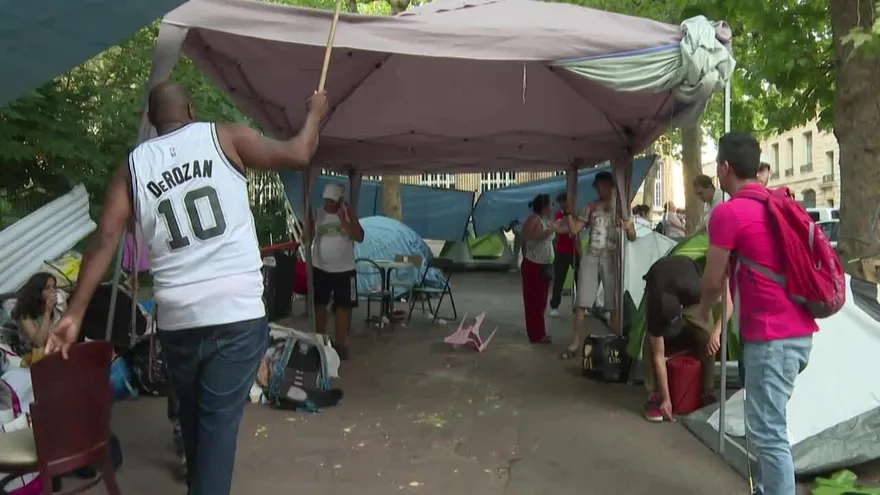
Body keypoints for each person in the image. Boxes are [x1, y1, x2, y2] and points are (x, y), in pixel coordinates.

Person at [46, 81, 331, 495]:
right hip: (235, 315)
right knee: (214, 432)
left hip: (178, 321)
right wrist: (315, 114)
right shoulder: (225, 137)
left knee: (197, 427)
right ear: (192, 110)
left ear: (151, 121)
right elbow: (298, 153)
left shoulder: (134, 167)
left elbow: (105, 240)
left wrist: (72, 314)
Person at [699, 131, 817, 495]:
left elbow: (714, 278)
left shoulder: (729, 213)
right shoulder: (778, 204)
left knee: (769, 434)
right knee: (768, 427)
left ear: (724, 168)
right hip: (797, 332)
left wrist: (704, 313)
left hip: (771, 338)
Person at [641, 255, 732, 422]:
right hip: (659, 283)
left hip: (690, 293)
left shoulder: (699, 289)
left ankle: (707, 392)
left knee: (707, 335)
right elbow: (658, 356)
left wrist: (716, 333)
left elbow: (729, 304)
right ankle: (654, 396)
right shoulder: (655, 307)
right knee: (650, 345)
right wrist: (666, 399)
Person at [562, 172, 636, 359]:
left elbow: (632, 236)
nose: (600, 189)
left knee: (613, 302)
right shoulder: (591, 207)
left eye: (603, 185)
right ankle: (576, 341)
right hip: (592, 255)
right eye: (598, 186)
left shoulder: (622, 208)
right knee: (582, 302)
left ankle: (615, 340)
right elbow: (574, 229)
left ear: (611, 186)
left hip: (611, 257)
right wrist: (568, 213)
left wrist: (628, 226)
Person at [307, 183, 364, 360]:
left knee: (343, 307)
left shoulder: (348, 213)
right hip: (320, 267)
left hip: (344, 269)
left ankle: (341, 344)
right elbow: (306, 237)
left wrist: (343, 220)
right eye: (326, 201)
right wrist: (307, 226)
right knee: (319, 305)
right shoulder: (318, 213)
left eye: (332, 201)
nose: (328, 205)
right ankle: (320, 341)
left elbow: (359, 236)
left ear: (340, 201)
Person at [520, 194, 566, 343]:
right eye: (551, 205)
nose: (553, 207)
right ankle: (536, 334)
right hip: (533, 264)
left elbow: (559, 229)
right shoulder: (533, 219)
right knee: (534, 301)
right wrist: (550, 230)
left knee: (541, 301)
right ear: (544, 207)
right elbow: (531, 236)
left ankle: (540, 332)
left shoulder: (546, 220)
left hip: (544, 264)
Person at [548, 192, 579, 317]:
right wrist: (565, 225)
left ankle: (579, 306)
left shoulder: (575, 215)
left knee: (579, 280)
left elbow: (573, 230)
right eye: (560, 202)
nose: (562, 204)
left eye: (563, 201)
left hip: (575, 251)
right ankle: (554, 306)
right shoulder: (558, 214)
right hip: (561, 252)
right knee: (559, 280)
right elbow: (557, 228)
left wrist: (565, 225)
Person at [13, 273, 59, 350]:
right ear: (37, 291)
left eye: (54, 287)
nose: (53, 291)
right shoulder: (24, 312)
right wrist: (47, 312)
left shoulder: (57, 302)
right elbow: (39, 343)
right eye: (47, 288)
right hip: (35, 352)